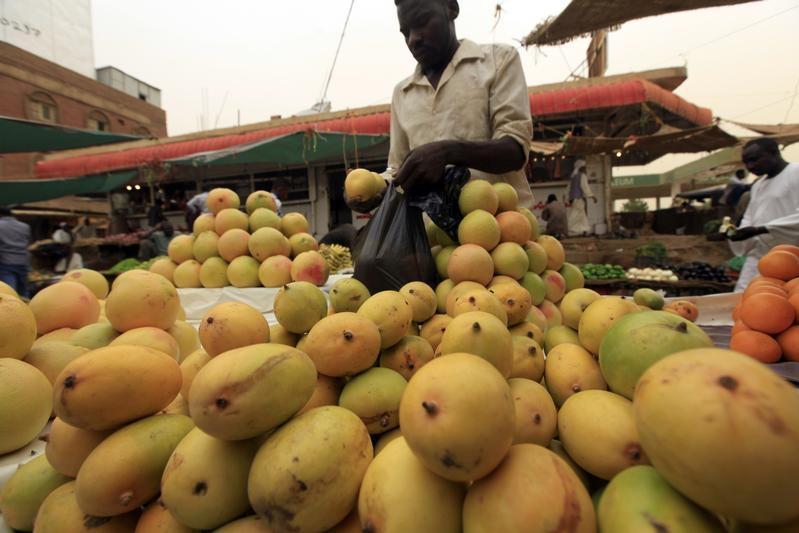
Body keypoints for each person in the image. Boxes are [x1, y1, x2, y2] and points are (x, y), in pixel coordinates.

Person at [349, 0, 533, 212]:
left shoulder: (498, 61)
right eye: (405, 32)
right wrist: (370, 190)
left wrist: (447, 152)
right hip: (434, 239)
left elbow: (514, 150)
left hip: (504, 232)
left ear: (451, 9)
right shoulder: (402, 93)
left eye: (422, 22)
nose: (413, 39)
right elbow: (397, 170)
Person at [721, 138, 799, 291]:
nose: (750, 166)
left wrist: (762, 229)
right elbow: (750, 218)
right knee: (744, 299)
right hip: (759, 258)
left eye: (754, 160)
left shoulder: (796, 173)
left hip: (791, 258)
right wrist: (736, 234)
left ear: (774, 153)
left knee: (784, 302)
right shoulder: (758, 184)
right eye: (746, 162)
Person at [0, 206, 32, 297]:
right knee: (24, 290)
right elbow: (28, 242)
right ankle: (27, 309)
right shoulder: (25, 226)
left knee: (10, 292)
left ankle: (13, 310)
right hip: (23, 260)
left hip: (6, 262)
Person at [565, 159, 597, 236]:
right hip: (578, 199)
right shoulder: (582, 176)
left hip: (573, 199)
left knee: (582, 215)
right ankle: (566, 228)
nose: (585, 169)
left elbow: (568, 189)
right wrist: (592, 196)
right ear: (581, 167)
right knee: (575, 215)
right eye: (584, 167)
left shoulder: (573, 176)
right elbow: (585, 187)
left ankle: (585, 231)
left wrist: (566, 197)